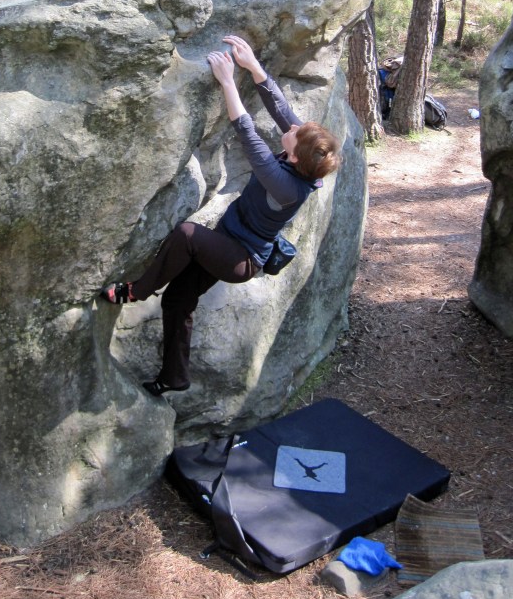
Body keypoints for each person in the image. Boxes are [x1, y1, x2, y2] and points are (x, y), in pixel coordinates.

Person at [100, 34, 342, 397]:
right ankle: (174, 377)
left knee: (186, 234)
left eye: (293, 135)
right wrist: (252, 65)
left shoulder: (286, 186)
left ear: (294, 158)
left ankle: (134, 291)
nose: (290, 128)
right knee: (179, 299)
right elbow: (280, 109)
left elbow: (247, 132)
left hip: (240, 260)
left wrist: (229, 80)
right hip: (228, 241)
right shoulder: (302, 158)